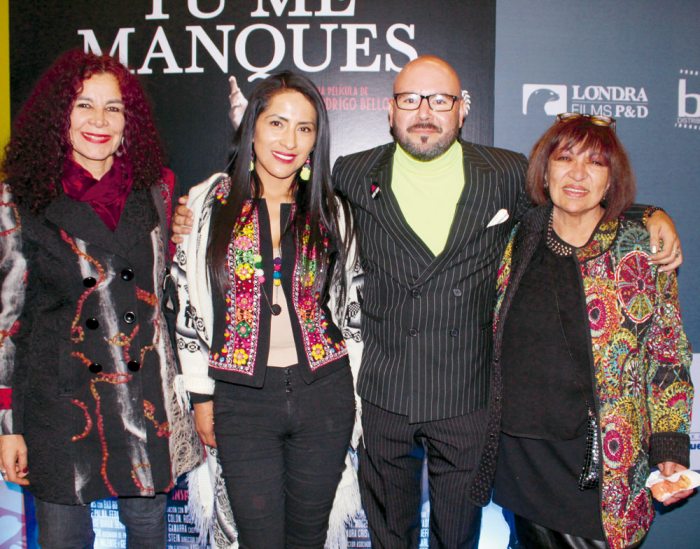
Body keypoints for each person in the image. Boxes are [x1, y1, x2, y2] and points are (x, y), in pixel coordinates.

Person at [173, 56, 682, 548]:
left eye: (440, 100)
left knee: (455, 536)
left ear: (463, 109)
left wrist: (647, 215)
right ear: (390, 109)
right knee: (385, 536)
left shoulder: (504, 172)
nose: (424, 112)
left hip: (466, 398)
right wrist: (194, 211)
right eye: (410, 99)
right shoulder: (351, 174)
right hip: (383, 396)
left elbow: (572, 197)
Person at [0, 50, 201, 547]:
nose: (100, 121)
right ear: (58, 116)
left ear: (129, 122)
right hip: (59, 403)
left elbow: (167, 284)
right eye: (84, 105)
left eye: (114, 108)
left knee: (150, 530)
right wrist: (8, 425)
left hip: (142, 397)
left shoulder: (157, 189)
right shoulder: (19, 197)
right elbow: (8, 321)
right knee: (63, 538)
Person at [470, 113, 693, 549]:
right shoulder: (515, 238)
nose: (577, 173)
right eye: (565, 158)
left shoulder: (640, 249)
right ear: (544, 170)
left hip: (601, 467)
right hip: (523, 460)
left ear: (611, 180)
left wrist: (669, 447)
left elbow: (667, 354)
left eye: (595, 162)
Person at [173, 70, 359, 549]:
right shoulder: (207, 205)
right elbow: (187, 304)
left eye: (304, 128)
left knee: (308, 539)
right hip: (242, 401)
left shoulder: (333, 210)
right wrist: (201, 396)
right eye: (276, 123)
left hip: (325, 396)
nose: (289, 141)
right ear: (251, 126)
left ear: (316, 139)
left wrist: (357, 398)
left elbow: (351, 310)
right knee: (257, 539)